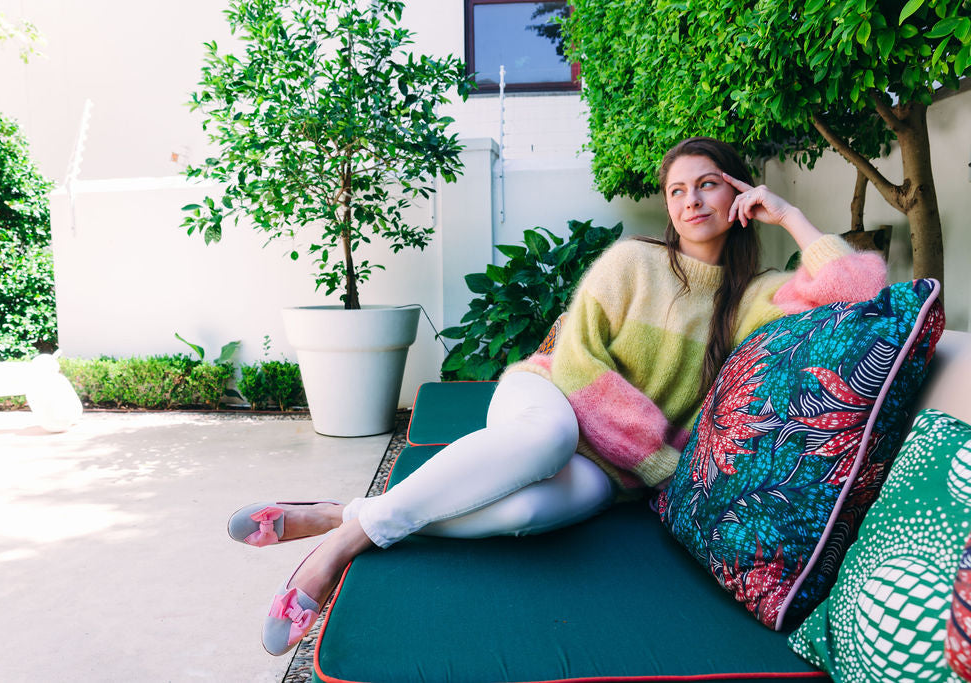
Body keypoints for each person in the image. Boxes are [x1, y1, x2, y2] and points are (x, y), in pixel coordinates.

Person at [227, 136, 888, 656]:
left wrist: (792, 215)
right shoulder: (635, 260)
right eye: (677, 189)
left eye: (708, 184)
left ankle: (343, 513)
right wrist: (658, 460)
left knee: (526, 513)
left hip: (611, 470)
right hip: (548, 400)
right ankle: (338, 549)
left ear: (737, 192)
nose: (690, 200)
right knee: (546, 441)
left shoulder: (753, 299)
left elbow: (861, 298)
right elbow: (575, 360)